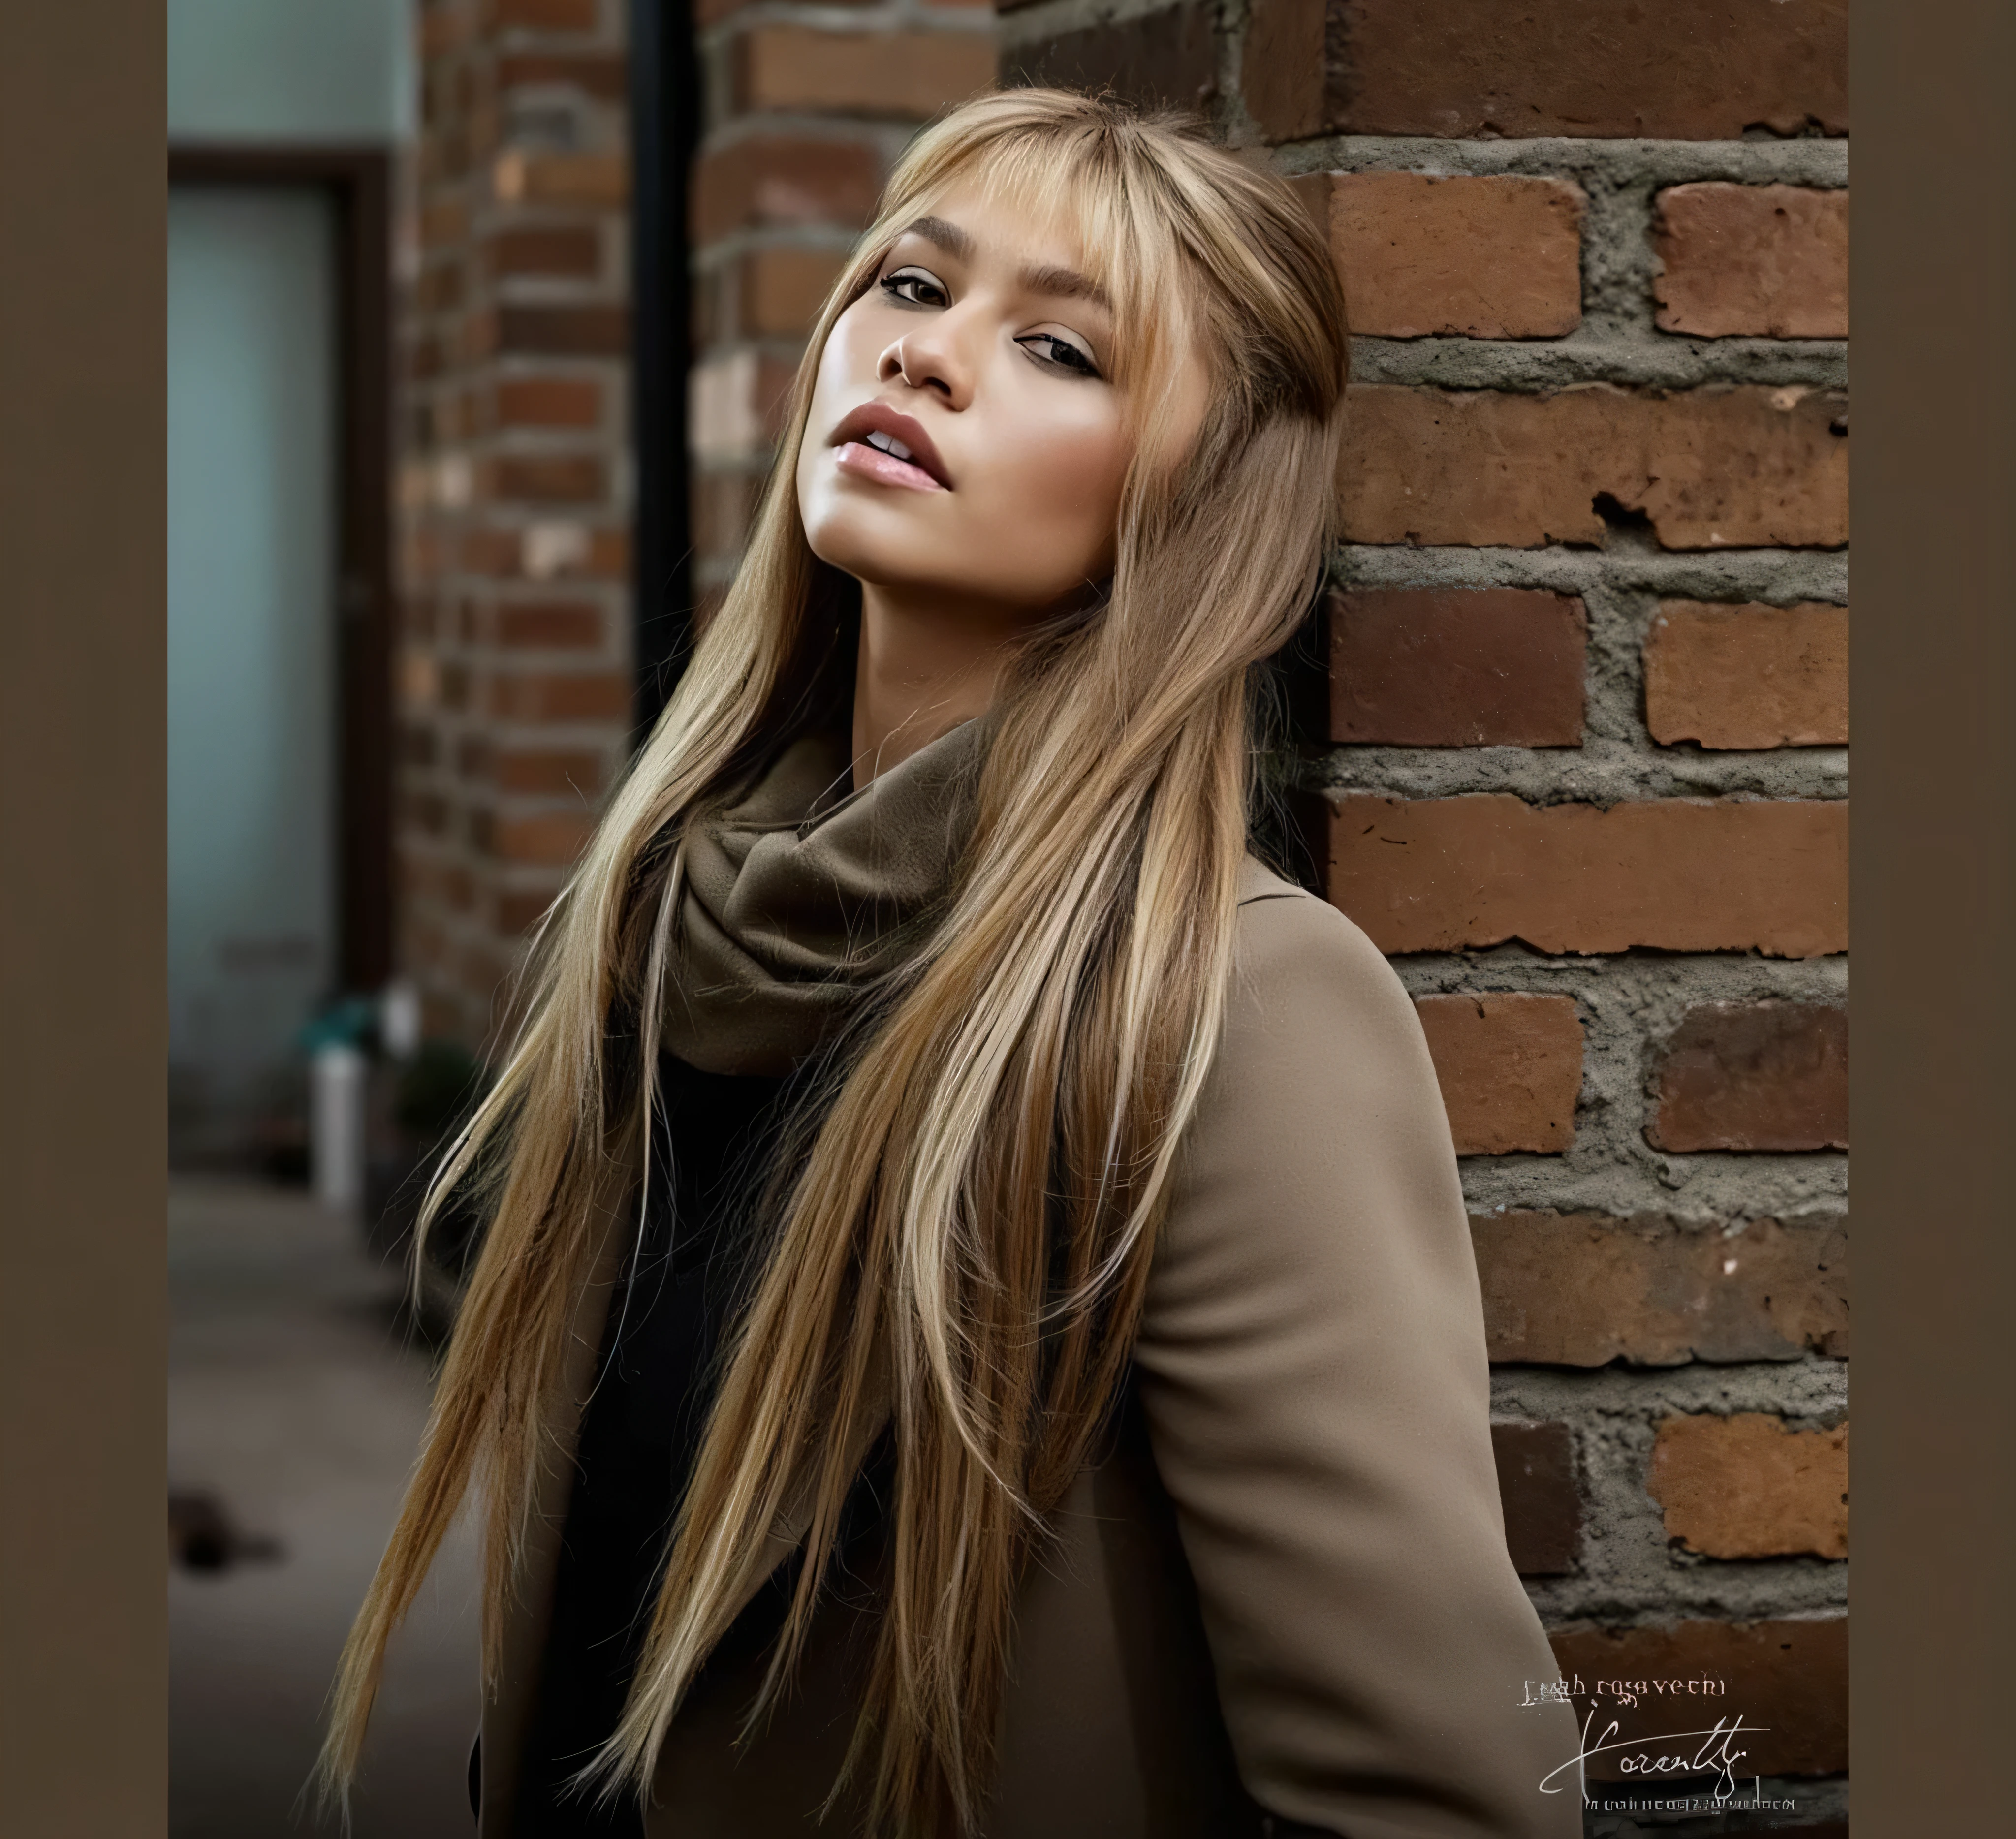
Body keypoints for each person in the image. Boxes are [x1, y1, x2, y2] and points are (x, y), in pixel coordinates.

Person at [321, 88, 1583, 1838]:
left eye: (1061, 347)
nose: (927, 358)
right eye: (912, 288)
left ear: (1195, 502)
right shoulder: (667, 927)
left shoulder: (1238, 1012)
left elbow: (1441, 1801)